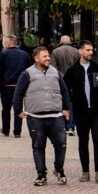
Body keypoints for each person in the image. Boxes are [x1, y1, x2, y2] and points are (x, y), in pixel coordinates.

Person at [12, 46, 71, 186]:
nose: (48, 58)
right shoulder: (27, 74)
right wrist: (18, 110)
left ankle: (59, 168)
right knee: (38, 146)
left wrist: (66, 108)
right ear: (36, 58)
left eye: (48, 56)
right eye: (44, 56)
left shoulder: (56, 73)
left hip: (56, 115)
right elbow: (18, 93)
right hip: (35, 117)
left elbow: (64, 91)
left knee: (61, 144)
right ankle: (41, 174)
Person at [63, 40, 98, 183]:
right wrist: (74, 100)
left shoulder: (97, 68)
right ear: (80, 51)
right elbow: (65, 89)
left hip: (97, 110)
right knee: (83, 141)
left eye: (91, 50)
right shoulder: (73, 70)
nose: (91, 52)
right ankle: (85, 171)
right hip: (81, 111)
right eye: (88, 50)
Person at [0, 36, 31, 138]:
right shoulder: (24, 54)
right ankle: (17, 131)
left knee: (6, 108)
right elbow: (29, 69)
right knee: (18, 108)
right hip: (20, 85)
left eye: (5, 43)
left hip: (6, 85)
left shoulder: (4, 54)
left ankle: (6, 129)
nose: (4, 45)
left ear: (9, 44)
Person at [50, 36, 80, 135]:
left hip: (60, 80)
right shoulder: (76, 51)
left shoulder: (55, 52)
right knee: (72, 102)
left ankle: (64, 124)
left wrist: (61, 76)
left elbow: (53, 67)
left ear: (60, 42)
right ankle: (71, 126)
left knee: (62, 102)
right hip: (75, 80)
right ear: (70, 41)